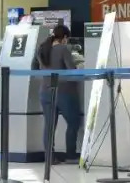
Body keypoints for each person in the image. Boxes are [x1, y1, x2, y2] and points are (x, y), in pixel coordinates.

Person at [31, 25, 81, 164]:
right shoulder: (63, 49)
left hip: (45, 91)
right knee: (73, 122)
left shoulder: (41, 48)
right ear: (64, 37)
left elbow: (37, 68)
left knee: (49, 125)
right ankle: (71, 155)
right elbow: (71, 69)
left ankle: (50, 157)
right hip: (63, 91)